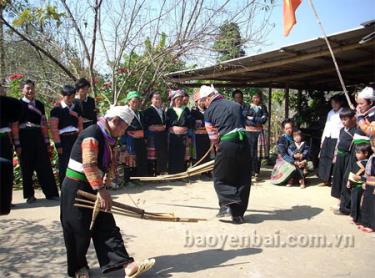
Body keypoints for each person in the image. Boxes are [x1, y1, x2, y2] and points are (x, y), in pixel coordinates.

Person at [60, 105, 155, 277]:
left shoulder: (107, 136)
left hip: (93, 185)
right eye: (124, 127)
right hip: (76, 187)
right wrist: (102, 190)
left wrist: (104, 184)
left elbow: (104, 164)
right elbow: (88, 165)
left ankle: (126, 264)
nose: (124, 131)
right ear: (115, 121)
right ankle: (78, 267)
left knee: (107, 225)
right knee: (78, 229)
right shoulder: (93, 133)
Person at [198, 85, 251, 224]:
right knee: (242, 178)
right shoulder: (235, 105)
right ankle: (238, 215)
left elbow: (213, 136)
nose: (204, 104)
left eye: (203, 101)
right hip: (244, 143)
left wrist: (217, 147)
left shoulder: (209, 111)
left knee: (220, 177)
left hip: (227, 143)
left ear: (208, 98)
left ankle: (227, 206)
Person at [15, 80, 59, 203]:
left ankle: (51, 193)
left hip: (38, 135)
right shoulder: (17, 104)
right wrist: (17, 143)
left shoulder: (39, 104)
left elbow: (43, 123)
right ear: (22, 90)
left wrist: (46, 141)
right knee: (26, 166)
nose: (30, 91)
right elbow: (15, 125)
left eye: (32, 88)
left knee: (44, 165)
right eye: (27, 88)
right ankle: (29, 195)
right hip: (24, 137)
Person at [50, 85, 83, 185]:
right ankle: (64, 187)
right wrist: (58, 144)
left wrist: (81, 139)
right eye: (68, 97)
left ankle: (77, 187)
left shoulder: (76, 107)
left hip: (75, 138)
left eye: (72, 96)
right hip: (63, 139)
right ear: (63, 96)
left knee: (77, 163)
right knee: (64, 164)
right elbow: (54, 128)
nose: (70, 99)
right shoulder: (56, 109)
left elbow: (80, 125)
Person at [0, 84, 21, 215]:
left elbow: (14, 124)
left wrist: (17, 143)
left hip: (4, 140)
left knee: (7, 170)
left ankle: (6, 200)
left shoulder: (8, 104)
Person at [331, 108, 357, 204]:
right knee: (338, 177)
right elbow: (338, 142)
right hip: (339, 157)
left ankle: (344, 201)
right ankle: (338, 198)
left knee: (345, 178)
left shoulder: (355, 131)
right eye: (341, 119)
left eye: (345, 119)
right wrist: (335, 155)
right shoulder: (342, 130)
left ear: (352, 118)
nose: (343, 121)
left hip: (348, 157)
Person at [121, 91, 148, 183]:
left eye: (138, 102)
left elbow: (145, 126)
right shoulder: (125, 114)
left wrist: (143, 134)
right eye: (133, 101)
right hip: (130, 140)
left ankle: (137, 178)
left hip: (140, 139)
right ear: (129, 102)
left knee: (139, 158)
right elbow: (122, 129)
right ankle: (128, 180)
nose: (136, 104)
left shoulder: (141, 114)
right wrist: (123, 143)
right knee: (129, 159)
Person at [318, 94, 345, 185]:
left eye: (335, 103)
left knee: (333, 158)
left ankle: (332, 179)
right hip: (327, 137)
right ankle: (325, 179)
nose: (333, 105)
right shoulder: (330, 113)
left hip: (336, 138)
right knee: (324, 158)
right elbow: (327, 126)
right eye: (332, 103)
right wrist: (322, 140)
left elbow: (342, 128)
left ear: (340, 103)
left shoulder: (343, 113)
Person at [166, 89, 194, 174]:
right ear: (174, 100)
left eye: (181, 99)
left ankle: (182, 173)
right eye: (177, 99)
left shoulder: (186, 110)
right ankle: (172, 173)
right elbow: (167, 124)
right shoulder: (170, 110)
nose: (179, 101)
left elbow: (190, 124)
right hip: (172, 136)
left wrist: (189, 136)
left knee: (182, 154)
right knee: (172, 153)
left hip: (183, 136)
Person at [243, 91, 268, 177]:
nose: (256, 99)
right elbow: (244, 117)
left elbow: (264, 120)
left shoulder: (263, 107)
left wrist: (252, 118)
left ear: (260, 98)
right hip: (249, 132)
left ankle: (257, 171)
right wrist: (258, 119)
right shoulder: (247, 106)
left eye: (257, 97)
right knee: (250, 151)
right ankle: (250, 171)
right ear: (251, 98)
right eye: (254, 97)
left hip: (259, 133)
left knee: (258, 152)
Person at [143, 92, 168, 176]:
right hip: (152, 136)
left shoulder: (162, 111)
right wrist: (153, 127)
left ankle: (160, 172)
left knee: (161, 154)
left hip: (162, 135)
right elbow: (146, 125)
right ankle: (151, 173)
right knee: (152, 155)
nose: (158, 100)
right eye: (156, 98)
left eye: (159, 99)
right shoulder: (147, 111)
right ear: (151, 100)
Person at [346, 143, 372, 223]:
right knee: (354, 201)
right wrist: (349, 181)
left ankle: (356, 217)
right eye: (356, 152)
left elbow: (368, 175)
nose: (356, 154)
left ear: (366, 153)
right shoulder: (356, 162)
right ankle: (354, 215)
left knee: (359, 202)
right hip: (354, 185)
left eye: (358, 152)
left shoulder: (368, 163)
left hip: (361, 185)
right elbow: (352, 173)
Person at [270, 119, 296, 185]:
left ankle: (297, 178)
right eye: (287, 128)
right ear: (284, 129)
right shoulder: (282, 139)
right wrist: (293, 161)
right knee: (291, 167)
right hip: (284, 160)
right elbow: (283, 154)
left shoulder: (296, 137)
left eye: (290, 128)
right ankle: (290, 179)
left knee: (309, 165)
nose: (289, 130)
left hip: (294, 158)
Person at [358, 135, 375, 233]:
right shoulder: (372, 157)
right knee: (366, 203)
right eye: (373, 146)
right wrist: (365, 181)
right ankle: (365, 222)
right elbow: (367, 171)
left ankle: (372, 225)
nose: (373, 148)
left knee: (373, 205)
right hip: (369, 182)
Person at [191, 91, 212, 167]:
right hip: (197, 136)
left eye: (203, 100)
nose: (202, 102)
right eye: (200, 100)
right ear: (197, 102)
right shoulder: (193, 111)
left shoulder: (208, 110)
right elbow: (194, 122)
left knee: (207, 151)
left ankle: (206, 170)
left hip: (207, 135)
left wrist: (201, 122)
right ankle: (197, 169)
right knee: (198, 152)